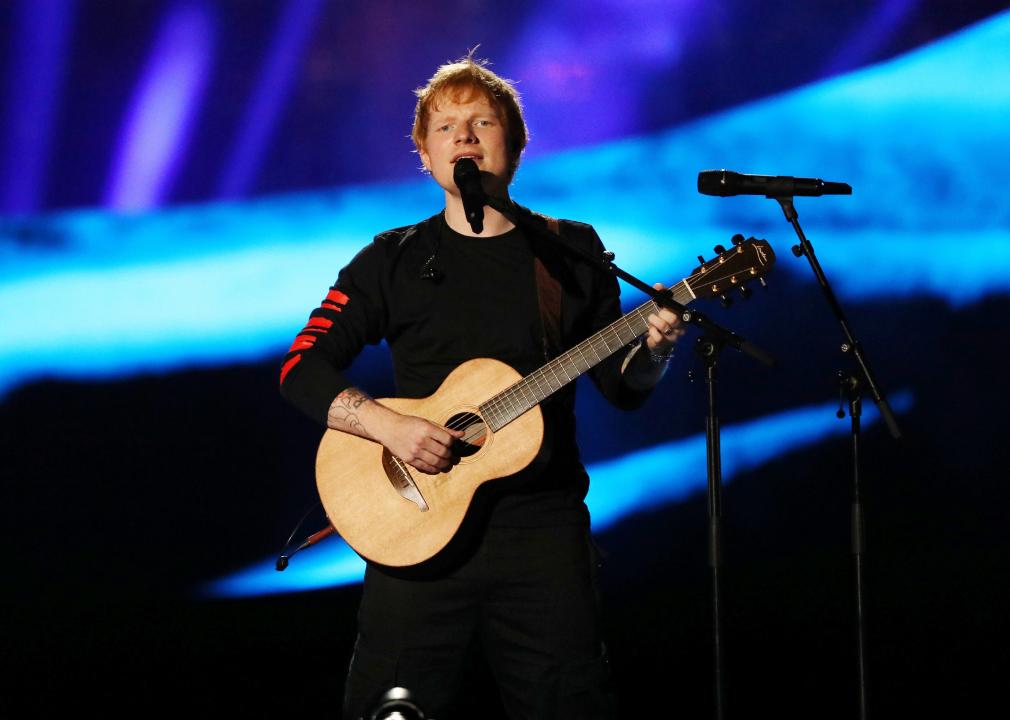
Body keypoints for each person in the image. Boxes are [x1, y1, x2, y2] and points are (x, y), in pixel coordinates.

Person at [279, 53, 683, 720]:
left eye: (482, 123)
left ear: (516, 144)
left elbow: (624, 388)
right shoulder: (391, 259)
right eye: (445, 127)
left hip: (542, 541)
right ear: (425, 154)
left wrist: (656, 349)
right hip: (415, 539)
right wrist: (389, 427)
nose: (463, 136)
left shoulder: (569, 251)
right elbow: (301, 368)